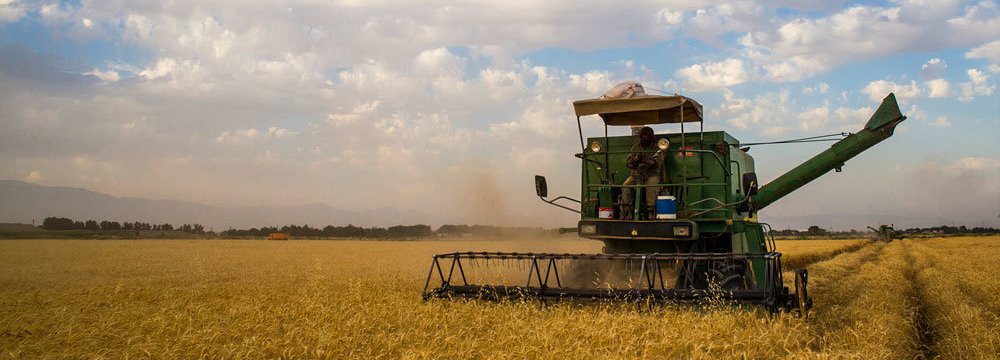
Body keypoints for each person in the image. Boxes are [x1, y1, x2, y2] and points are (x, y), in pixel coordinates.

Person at [620, 126, 664, 220]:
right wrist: (634, 160)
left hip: (652, 174)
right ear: (640, 137)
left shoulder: (657, 148)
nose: (645, 138)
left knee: (651, 186)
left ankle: (650, 211)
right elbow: (628, 163)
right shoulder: (635, 148)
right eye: (643, 136)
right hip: (636, 175)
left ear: (651, 137)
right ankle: (627, 211)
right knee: (626, 185)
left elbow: (658, 161)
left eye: (647, 136)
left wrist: (649, 163)